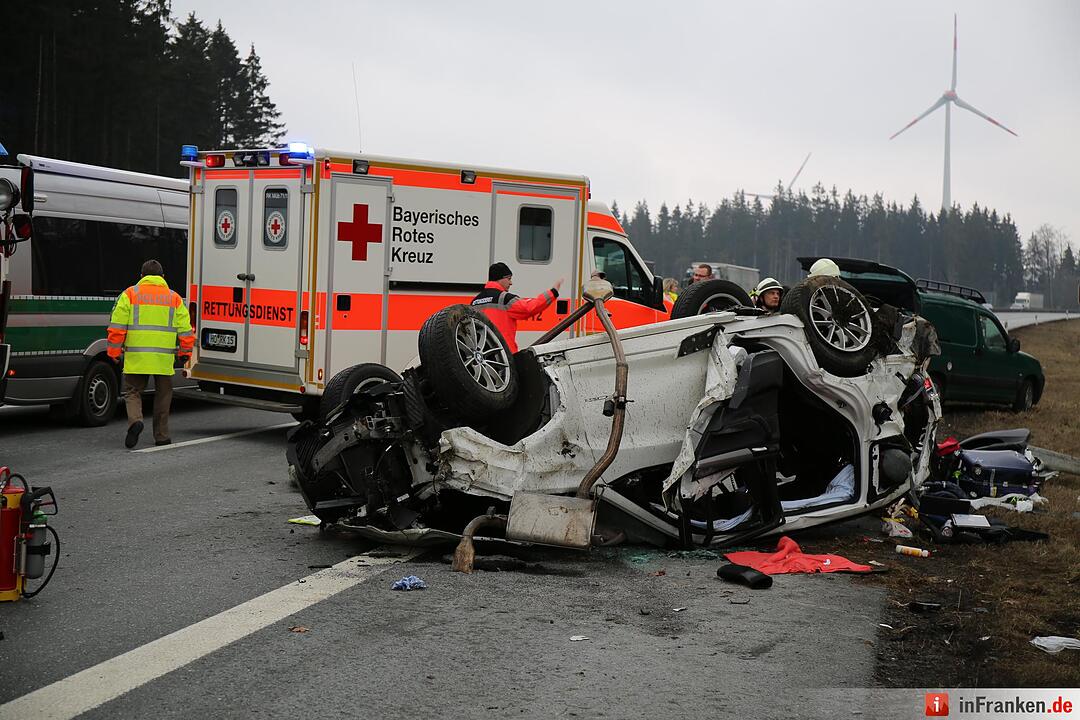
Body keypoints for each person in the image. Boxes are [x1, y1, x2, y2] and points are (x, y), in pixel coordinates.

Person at [107, 259, 194, 448]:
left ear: (141, 277)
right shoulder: (174, 298)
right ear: (163, 277)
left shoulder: (129, 294)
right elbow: (186, 329)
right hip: (162, 358)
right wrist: (185, 352)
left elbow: (117, 325)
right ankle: (161, 436)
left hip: (137, 357)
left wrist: (114, 351)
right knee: (164, 394)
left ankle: (136, 421)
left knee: (132, 391)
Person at [471, 262, 562, 354]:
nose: (511, 283)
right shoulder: (505, 299)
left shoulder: (475, 302)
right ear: (500, 279)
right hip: (504, 356)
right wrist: (552, 293)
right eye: (509, 279)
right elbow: (529, 308)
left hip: (482, 356)